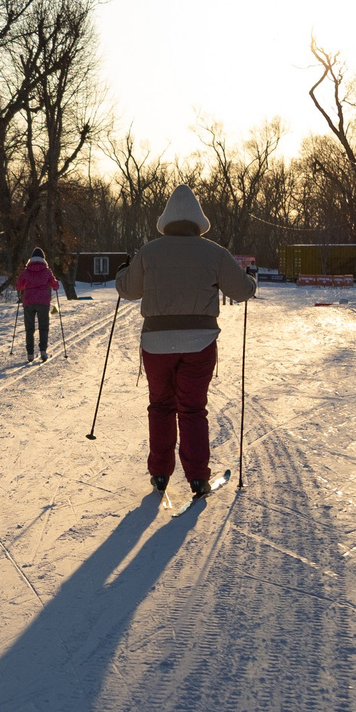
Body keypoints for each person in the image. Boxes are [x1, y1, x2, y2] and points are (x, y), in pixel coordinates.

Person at [112, 184, 254, 497]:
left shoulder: (149, 251)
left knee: (161, 406)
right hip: (199, 342)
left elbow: (129, 290)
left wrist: (123, 272)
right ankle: (197, 478)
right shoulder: (215, 252)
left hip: (156, 343)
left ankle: (160, 474)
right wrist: (251, 278)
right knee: (192, 409)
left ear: (166, 220)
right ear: (197, 220)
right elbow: (242, 291)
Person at [14, 246, 61, 361]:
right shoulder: (47, 271)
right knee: (43, 327)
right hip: (43, 302)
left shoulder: (26, 271)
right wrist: (54, 284)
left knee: (29, 328)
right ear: (43, 259)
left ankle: (30, 353)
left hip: (29, 302)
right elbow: (55, 286)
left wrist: (27, 285)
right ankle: (43, 351)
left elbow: (19, 286)